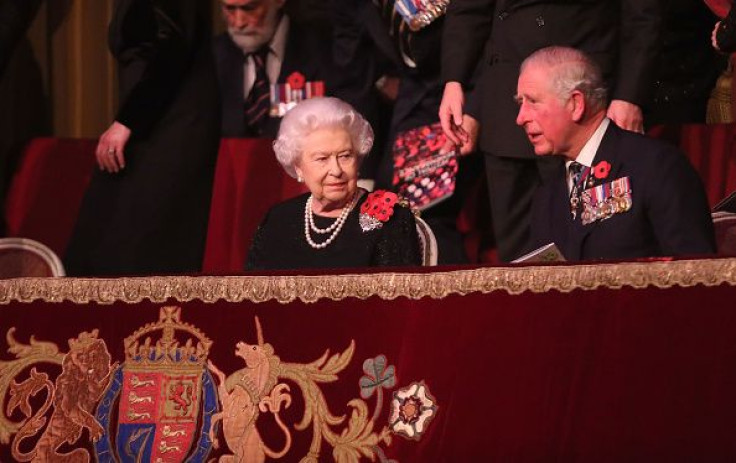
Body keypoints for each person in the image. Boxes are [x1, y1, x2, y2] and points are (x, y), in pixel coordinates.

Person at [439, 0, 661, 262]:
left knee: (590, 241)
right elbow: (469, 9)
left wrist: (629, 95)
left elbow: (643, 14)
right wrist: (454, 81)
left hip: (580, 104)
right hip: (506, 108)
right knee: (518, 256)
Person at [64, 0, 221, 276]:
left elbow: (173, 44)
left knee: (140, 243)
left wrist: (128, 121)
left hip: (171, 120)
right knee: (107, 241)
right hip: (151, 117)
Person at [516, 47, 715, 261]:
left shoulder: (657, 166)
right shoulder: (547, 195)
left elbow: (697, 275)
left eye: (533, 102)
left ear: (576, 104)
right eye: (520, 103)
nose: (521, 118)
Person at [333, 0, 482, 264]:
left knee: (434, 211)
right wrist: (359, 165)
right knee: (382, 209)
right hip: (412, 100)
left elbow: (484, 31)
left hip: (468, 94)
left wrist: (476, 109)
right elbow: (353, 71)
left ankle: (450, 298)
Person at [246, 97, 422, 270]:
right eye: (322, 159)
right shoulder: (278, 220)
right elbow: (256, 292)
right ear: (298, 167)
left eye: (345, 156)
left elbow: (402, 295)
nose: (336, 170)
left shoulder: (390, 218)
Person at [214, 0, 337, 138]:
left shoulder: (326, 51)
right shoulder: (212, 57)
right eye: (230, 9)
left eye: (250, 8)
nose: (239, 22)